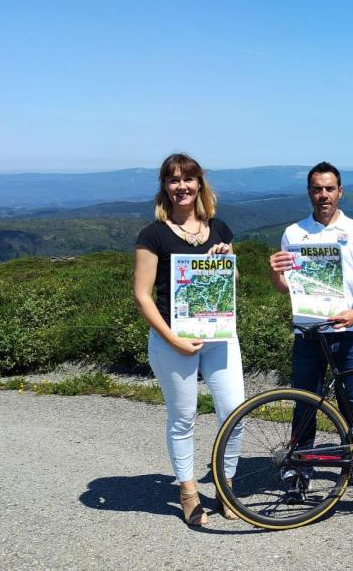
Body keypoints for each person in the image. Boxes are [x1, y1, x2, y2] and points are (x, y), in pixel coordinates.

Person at [133, 153, 245, 526]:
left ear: (200, 184)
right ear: (164, 187)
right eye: (173, 180)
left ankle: (226, 487)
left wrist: (228, 261)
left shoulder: (220, 228)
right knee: (183, 416)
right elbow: (142, 295)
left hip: (218, 335)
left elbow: (231, 283)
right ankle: (188, 492)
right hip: (172, 338)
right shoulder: (154, 234)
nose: (181, 186)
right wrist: (172, 339)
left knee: (235, 412)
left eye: (188, 179)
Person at [268, 161, 353, 494]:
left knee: (350, 403)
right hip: (309, 332)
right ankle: (300, 467)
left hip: (347, 332)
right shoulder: (293, 233)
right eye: (317, 189)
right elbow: (288, 287)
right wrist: (274, 272)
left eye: (330, 188)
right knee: (306, 403)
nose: (324, 195)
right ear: (309, 192)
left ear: (340, 191)